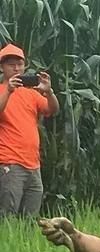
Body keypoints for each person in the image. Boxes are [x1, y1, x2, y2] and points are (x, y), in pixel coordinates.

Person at [0, 43, 59, 217]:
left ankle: (22, 244)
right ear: (2, 67)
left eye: (20, 64)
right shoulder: (2, 91)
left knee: (30, 219)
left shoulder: (31, 92)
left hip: (33, 166)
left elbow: (52, 110)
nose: (16, 68)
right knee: (7, 216)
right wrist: (9, 91)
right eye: (11, 65)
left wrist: (49, 92)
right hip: (10, 163)